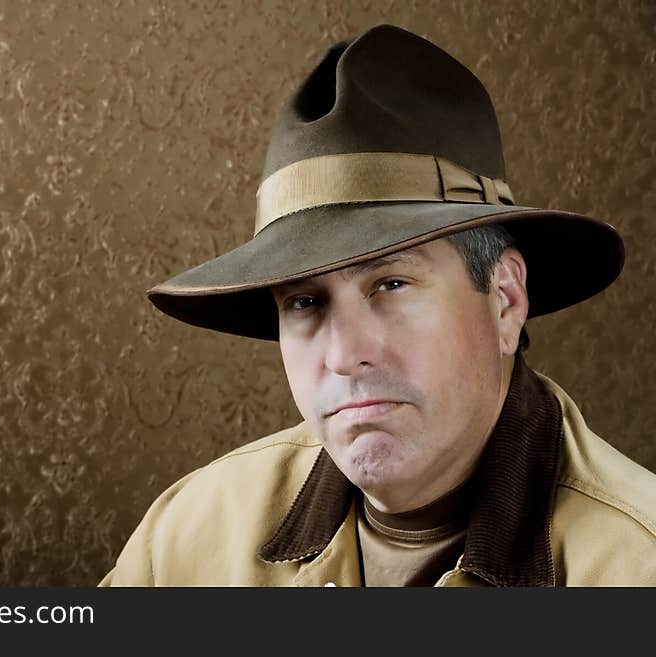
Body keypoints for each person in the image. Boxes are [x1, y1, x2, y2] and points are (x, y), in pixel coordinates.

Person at [100, 25, 656, 586]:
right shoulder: (185, 541)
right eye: (305, 301)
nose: (345, 355)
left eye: (390, 285)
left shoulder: (636, 567)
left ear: (506, 301)